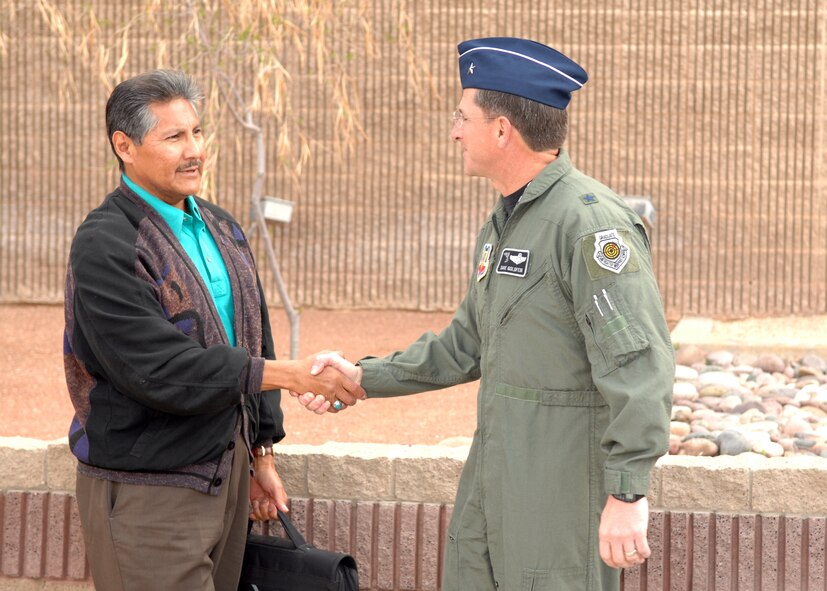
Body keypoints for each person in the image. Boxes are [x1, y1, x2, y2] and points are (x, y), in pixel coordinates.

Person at [296, 37, 674, 590]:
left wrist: (627, 494)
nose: (454, 131)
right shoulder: (506, 221)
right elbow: (466, 345)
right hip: (493, 483)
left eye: (461, 117)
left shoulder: (589, 226)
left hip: (561, 495)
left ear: (501, 130)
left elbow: (639, 364)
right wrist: (360, 377)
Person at [63, 69, 364, 591]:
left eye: (198, 132)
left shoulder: (222, 227)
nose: (194, 150)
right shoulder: (106, 244)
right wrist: (292, 374)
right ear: (124, 146)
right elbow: (159, 369)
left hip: (227, 481)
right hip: (149, 493)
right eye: (174, 137)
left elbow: (254, 337)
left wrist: (262, 452)